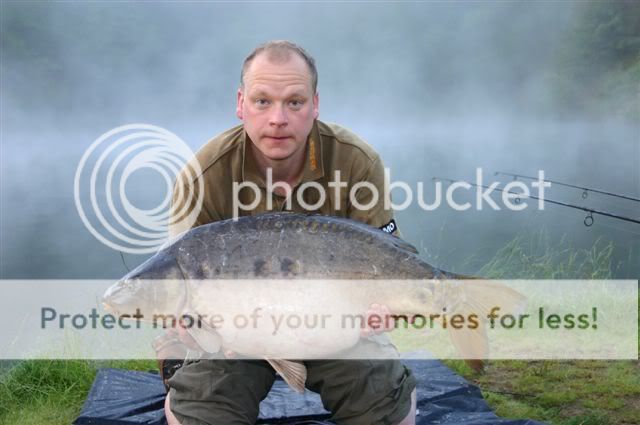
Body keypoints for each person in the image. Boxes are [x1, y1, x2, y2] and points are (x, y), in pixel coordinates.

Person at [163, 40, 417, 425]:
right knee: (203, 405)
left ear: (315, 105)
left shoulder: (357, 161)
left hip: (334, 325)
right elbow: (176, 281)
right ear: (240, 103)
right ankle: (182, 384)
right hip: (233, 336)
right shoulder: (201, 176)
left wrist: (389, 310)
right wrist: (185, 326)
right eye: (262, 101)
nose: (278, 118)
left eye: (294, 102)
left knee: (384, 406)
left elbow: (389, 260)